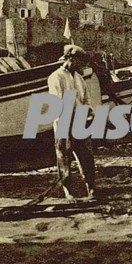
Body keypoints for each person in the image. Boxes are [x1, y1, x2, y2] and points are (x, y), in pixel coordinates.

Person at [48, 44, 96, 201]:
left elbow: (86, 100)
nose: (82, 65)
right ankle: (68, 192)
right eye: (80, 61)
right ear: (71, 59)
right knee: (64, 158)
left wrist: (89, 115)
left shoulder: (79, 78)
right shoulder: (56, 77)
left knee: (86, 157)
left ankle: (91, 189)